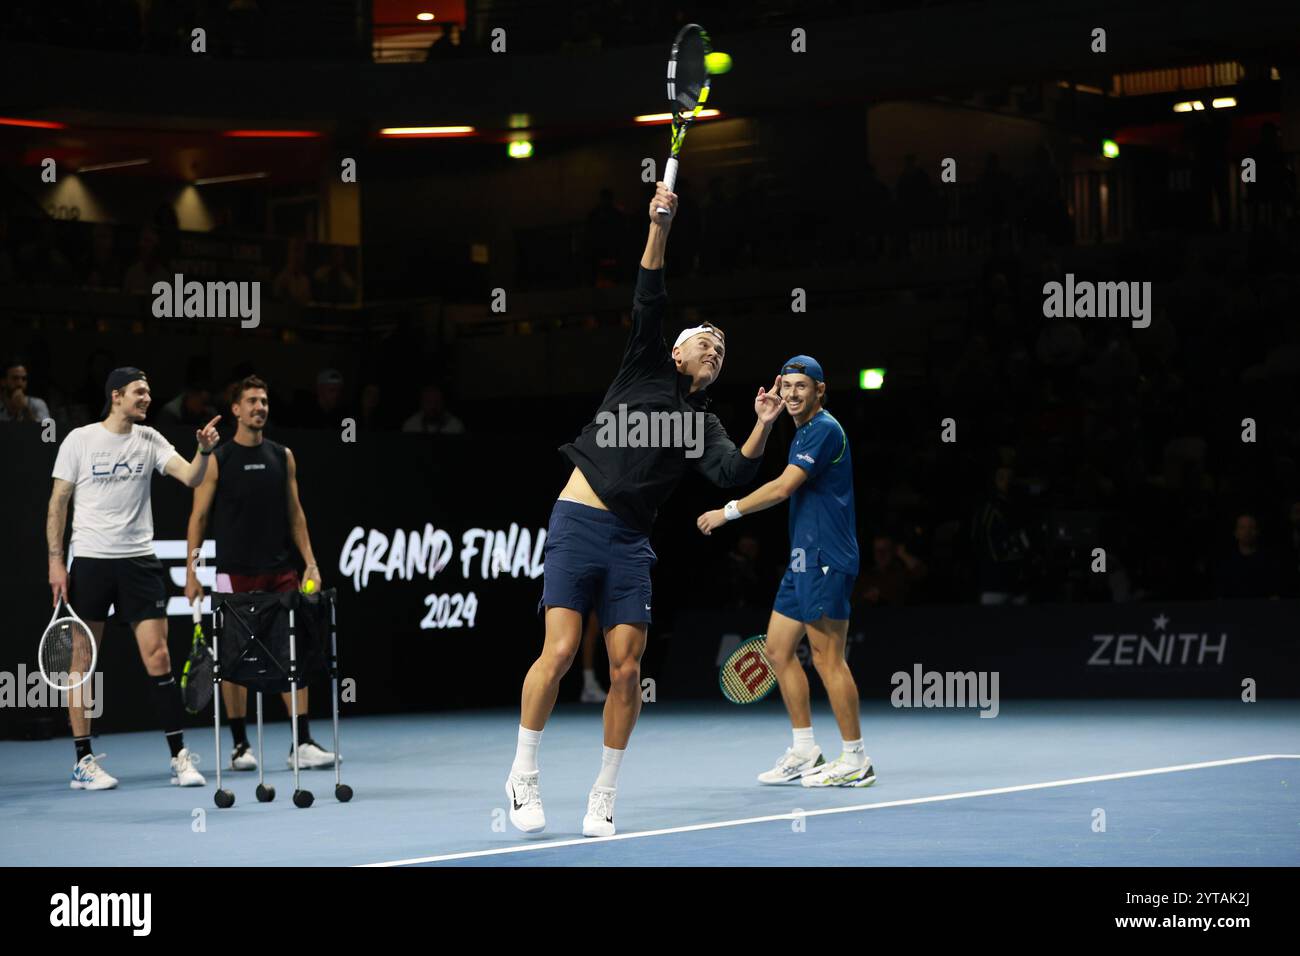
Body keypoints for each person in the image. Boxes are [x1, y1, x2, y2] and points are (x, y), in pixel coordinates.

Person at [505, 181, 783, 837]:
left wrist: (764, 423)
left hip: (630, 542)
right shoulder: (646, 362)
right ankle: (523, 774)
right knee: (564, 649)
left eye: (722, 350)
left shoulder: (703, 424)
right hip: (578, 522)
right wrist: (660, 224)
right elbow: (649, 293)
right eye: (704, 342)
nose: (713, 350)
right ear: (678, 350)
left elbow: (732, 472)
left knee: (628, 669)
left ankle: (603, 794)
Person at [698, 356, 871, 788]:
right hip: (802, 560)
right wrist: (767, 422)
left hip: (827, 558)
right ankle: (806, 749)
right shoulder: (801, 431)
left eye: (802, 386)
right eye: (787, 386)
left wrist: (728, 512)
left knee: (827, 658)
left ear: (819, 390)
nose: (793, 394)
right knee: (777, 650)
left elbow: (783, 486)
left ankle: (856, 759)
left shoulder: (825, 430)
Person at [46, 367, 220, 790]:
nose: (147, 398)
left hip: (139, 562)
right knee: (81, 666)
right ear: (117, 395)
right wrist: (56, 560)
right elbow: (58, 503)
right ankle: (83, 761)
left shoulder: (151, 439)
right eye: (140, 392)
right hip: (90, 560)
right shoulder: (80, 440)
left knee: (158, 657)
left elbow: (191, 477)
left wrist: (203, 451)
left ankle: (179, 756)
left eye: (149, 392)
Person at [184, 375, 336, 770]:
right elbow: (198, 518)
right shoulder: (218, 460)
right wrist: (191, 571)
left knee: (294, 652)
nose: (259, 407)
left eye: (264, 400)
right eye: (251, 400)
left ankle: (300, 743)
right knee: (236, 660)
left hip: (281, 572)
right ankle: (240, 747)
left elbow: (295, 513)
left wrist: (311, 563)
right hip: (236, 575)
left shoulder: (282, 455)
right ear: (235, 409)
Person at [1, 358, 51, 424]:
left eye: (24, 379)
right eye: (15, 378)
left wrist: (26, 410)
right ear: (3, 382)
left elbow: (46, 432)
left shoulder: (37, 404)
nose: (20, 383)